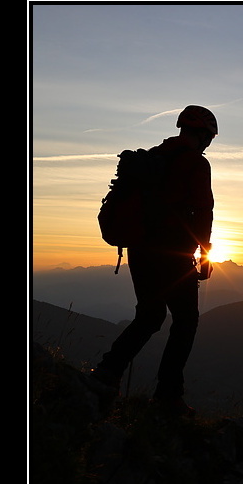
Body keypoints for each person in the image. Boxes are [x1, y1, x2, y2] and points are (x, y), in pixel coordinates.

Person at [90, 105, 217, 417]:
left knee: (149, 316)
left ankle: (107, 373)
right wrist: (205, 252)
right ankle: (167, 396)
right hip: (173, 253)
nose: (209, 142)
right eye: (209, 137)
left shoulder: (155, 156)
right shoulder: (195, 164)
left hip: (140, 248)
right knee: (186, 321)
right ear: (202, 135)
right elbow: (202, 211)